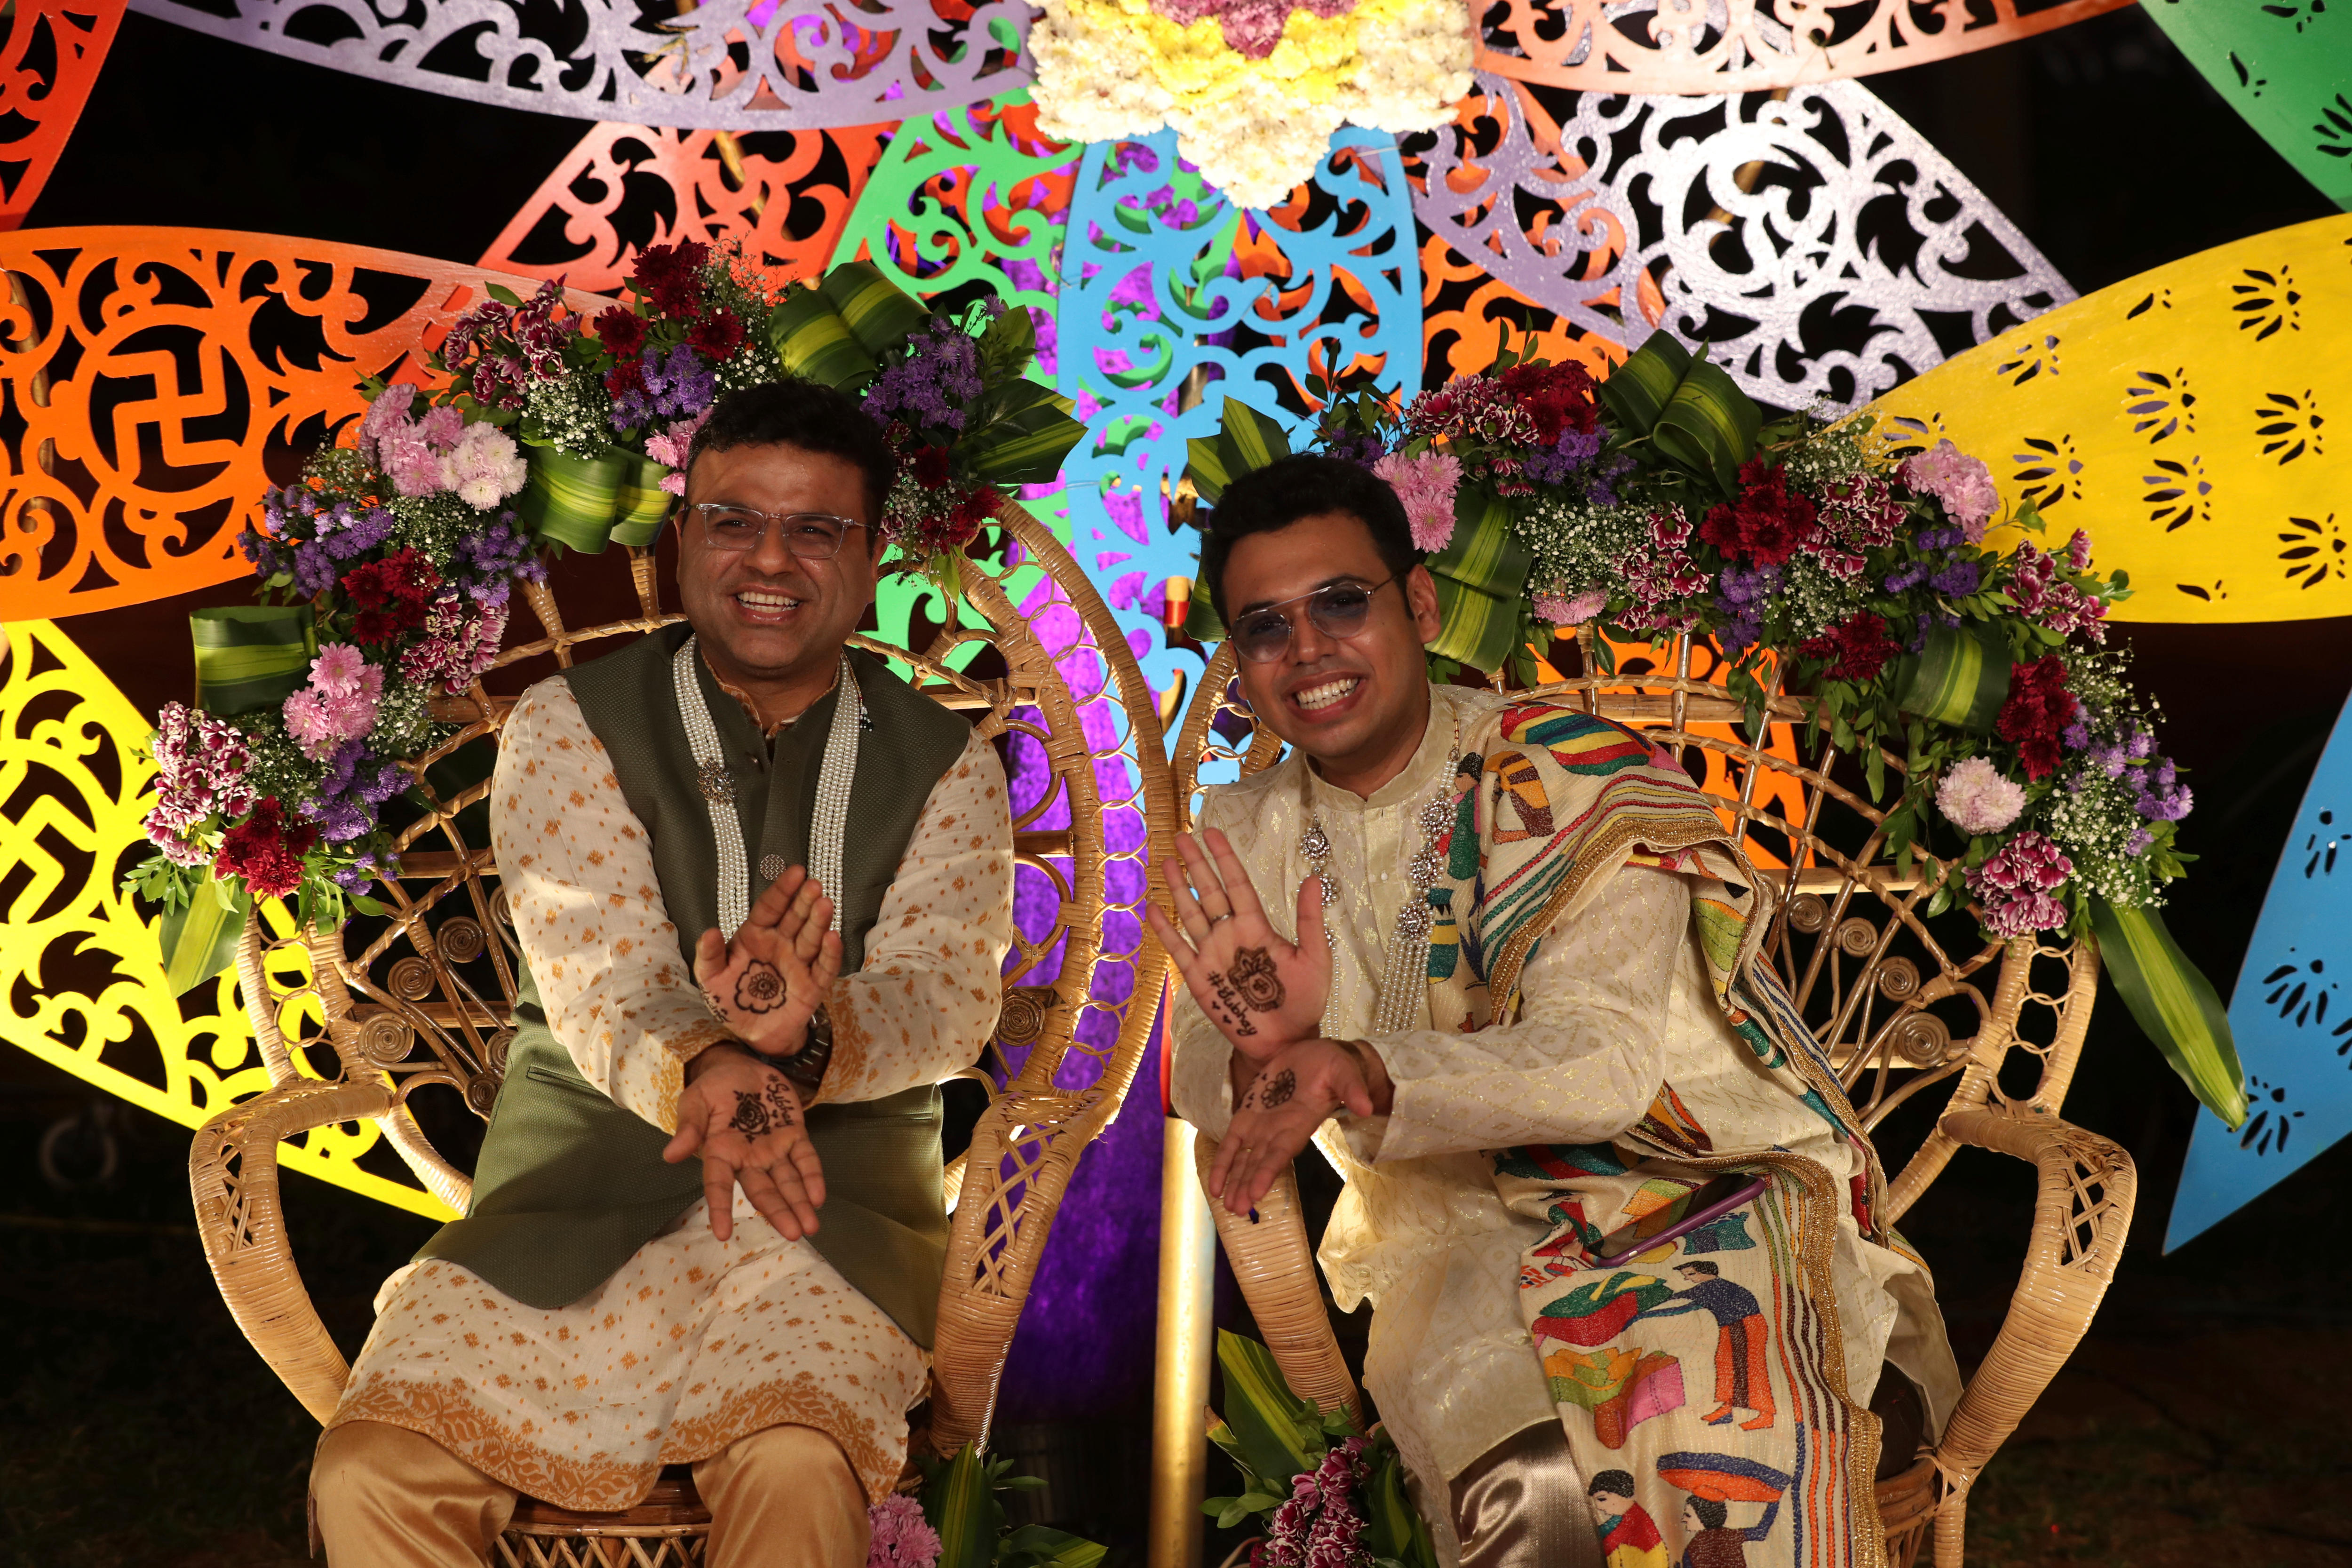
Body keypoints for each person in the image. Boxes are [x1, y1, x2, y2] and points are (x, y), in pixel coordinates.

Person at [1153, 455, 1960, 1568]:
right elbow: (1199, 1060)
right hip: (1450, 1231)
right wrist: (1265, 1056)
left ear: (1420, 603)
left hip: (1699, 1187)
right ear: (1240, 663)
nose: (1308, 651)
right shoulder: (1239, 835)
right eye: (1264, 627)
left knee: (1693, 1404)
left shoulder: (1570, 775)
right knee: (1534, 1487)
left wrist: (1360, 1065)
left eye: (1342, 601)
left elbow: (1603, 1066)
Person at [310, 380, 1015, 1567]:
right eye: (735, 520)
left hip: (828, 1216)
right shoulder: (569, 723)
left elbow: (951, 990)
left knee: (794, 1461)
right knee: (372, 1468)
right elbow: (596, 964)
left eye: (817, 528)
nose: (770, 559)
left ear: (874, 552)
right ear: (685, 536)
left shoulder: (949, 762)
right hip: (575, 1200)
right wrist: (706, 1053)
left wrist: (813, 1035)